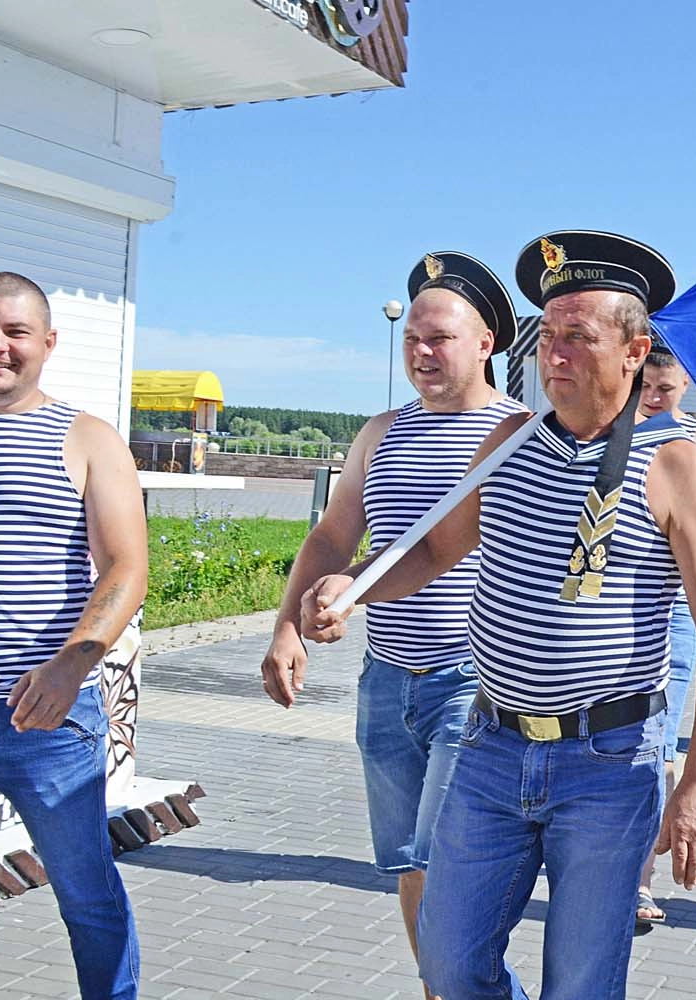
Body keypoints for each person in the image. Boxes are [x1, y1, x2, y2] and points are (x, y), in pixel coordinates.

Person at [300, 230, 696, 999]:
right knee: (447, 961)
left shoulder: (679, 464)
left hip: (606, 764)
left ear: (636, 349)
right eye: (547, 337)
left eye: (579, 336)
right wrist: (353, 586)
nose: (555, 356)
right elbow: (436, 549)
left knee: (580, 981)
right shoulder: (510, 441)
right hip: (491, 746)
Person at [259, 251, 523, 996]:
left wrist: (354, 589)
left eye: (439, 338)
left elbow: (444, 551)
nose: (420, 353)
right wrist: (287, 626)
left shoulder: (521, 436)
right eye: (411, 338)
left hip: (476, 687)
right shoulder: (382, 431)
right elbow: (330, 538)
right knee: (410, 866)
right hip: (387, 684)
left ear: (485, 344)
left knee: (446, 869)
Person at [0, 272, 147, 999]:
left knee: (87, 898)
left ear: (47, 343)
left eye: (14, 332)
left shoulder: (86, 439)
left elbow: (126, 567)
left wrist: (71, 667)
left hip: (46, 720)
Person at [632, 339, 696, 927]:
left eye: (663, 391)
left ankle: (640, 879)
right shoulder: (612, 436)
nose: (650, 400)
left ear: (687, 385)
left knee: (658, 745)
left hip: (676, 612)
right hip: (620, 611)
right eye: (643, 388)